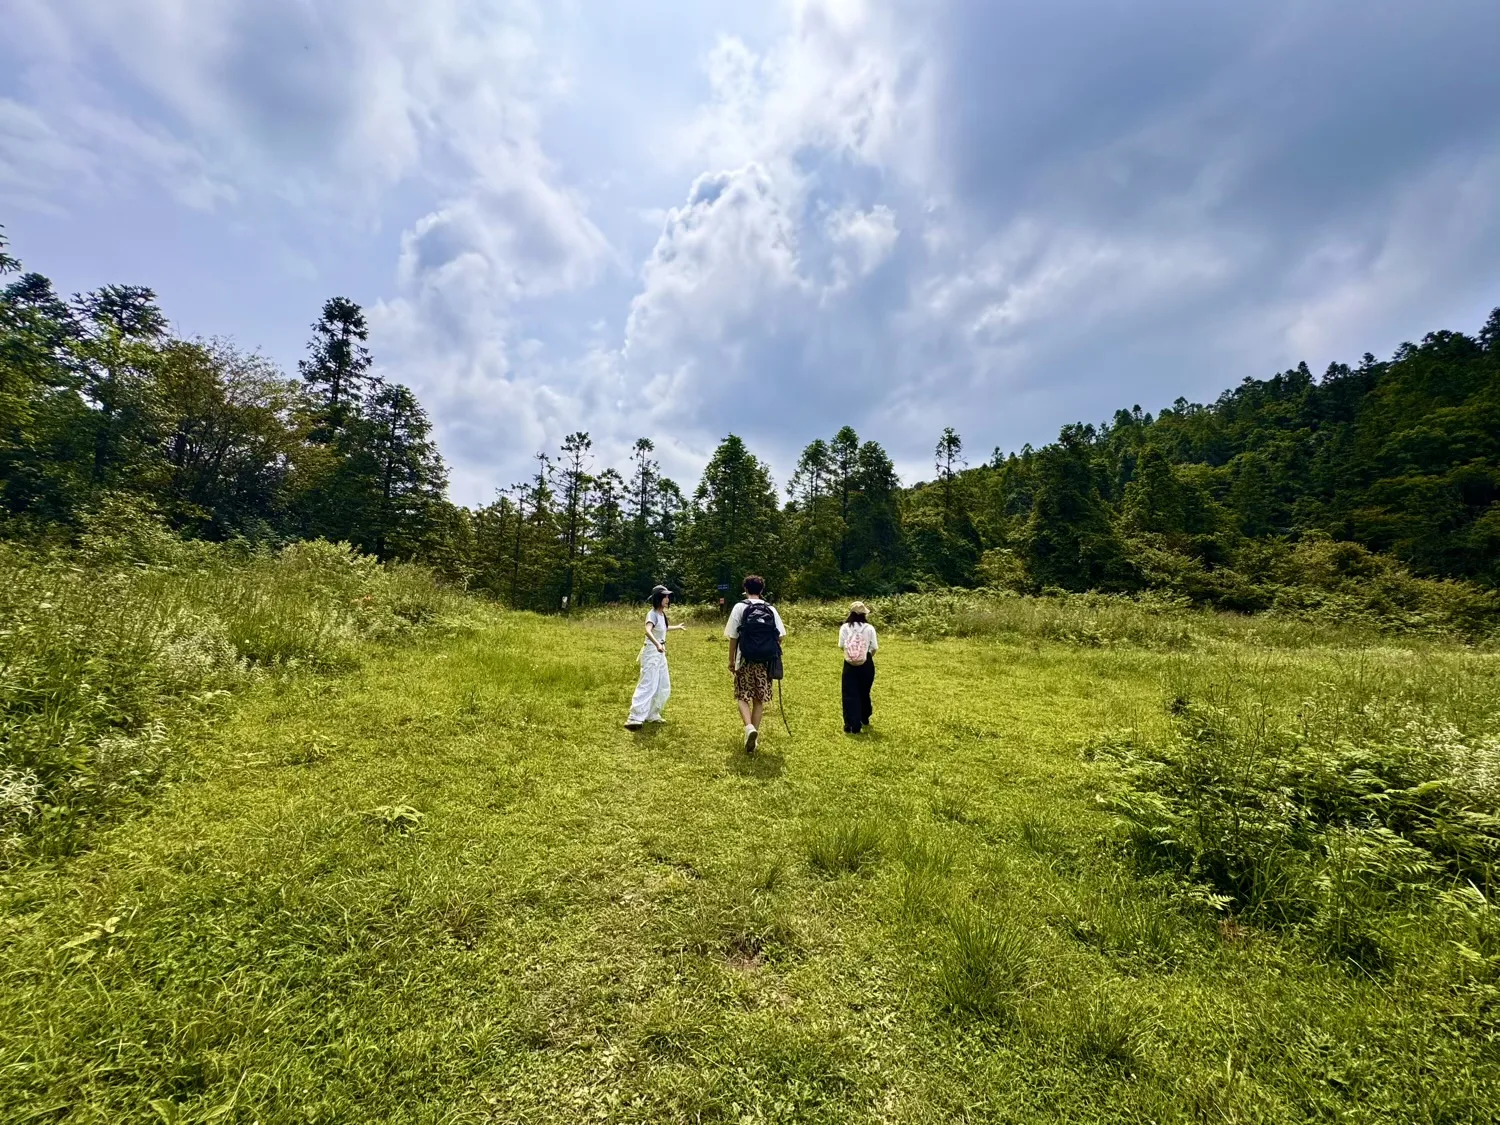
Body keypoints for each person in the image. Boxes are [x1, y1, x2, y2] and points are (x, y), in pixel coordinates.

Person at [723, 574, 786, 753]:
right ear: (762, 590)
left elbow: (733, 637)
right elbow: (781, 635)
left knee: (742, 696)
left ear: (745, 589)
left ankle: (749, 728)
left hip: (744, 659)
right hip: (765, 662)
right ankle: (754, 738)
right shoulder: (770, 609)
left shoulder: (739, 607)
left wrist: (731, 661)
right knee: (759, 699)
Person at [625, 585, 686, 730]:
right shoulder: (651, 614)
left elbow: (663, 628)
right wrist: (657, 644)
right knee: (648, 683)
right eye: (664, 596)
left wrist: (677, 627)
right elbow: (647, 630)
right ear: (657, 598)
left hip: (661, 653)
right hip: (652, 652)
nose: (667, 599)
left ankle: (652, 714)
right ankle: (635, 717)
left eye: (668, 597)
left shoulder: (662, 615)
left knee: (663, 685)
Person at [838, 601, 878, 734]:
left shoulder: (845, 627)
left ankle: (851, 724)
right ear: (864, 614)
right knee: (864, 691)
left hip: (849, 663)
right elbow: (874, 647)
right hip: (866, 662)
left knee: (849, 693)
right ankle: (864, 717)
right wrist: (865, 655)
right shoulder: (869, 628)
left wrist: (852, 653)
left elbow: (841, 645)